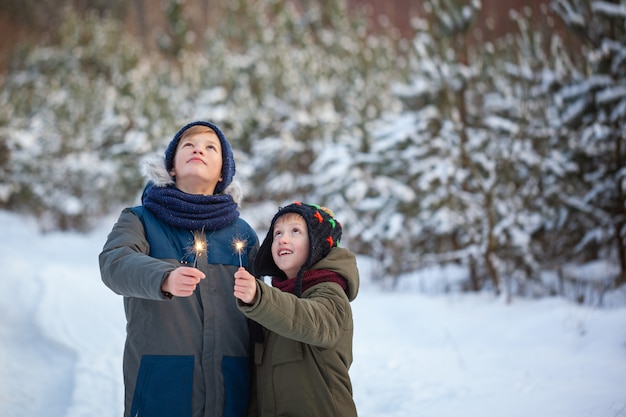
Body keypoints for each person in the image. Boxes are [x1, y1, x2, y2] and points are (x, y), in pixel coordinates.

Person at [99, 120, 259, 417]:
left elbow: (261, 312)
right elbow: (114, 263)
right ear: (170, 167)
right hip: (161, 389)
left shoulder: (243, 233)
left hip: (231, 390)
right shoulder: (140, 220)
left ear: (224, 172)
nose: (199, 149)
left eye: (211, 147)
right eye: (189, 145)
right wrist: (163, 277)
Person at [233, 202, 359, 417]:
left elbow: (314, 322)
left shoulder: (330, 291)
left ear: (317, 243)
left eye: (296, 231)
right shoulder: (274, 304)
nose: (283, 238)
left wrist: (259, 297)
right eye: (277, 233)